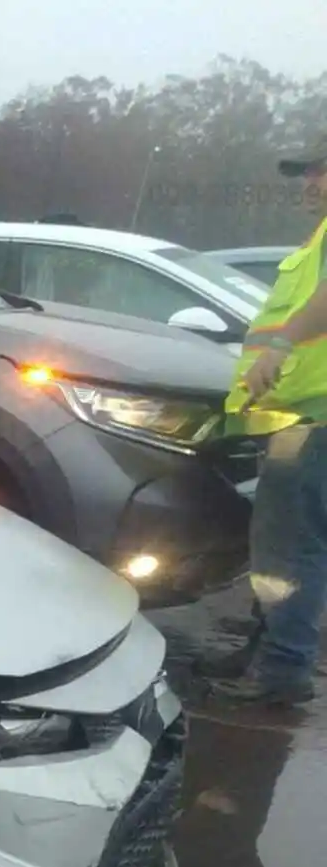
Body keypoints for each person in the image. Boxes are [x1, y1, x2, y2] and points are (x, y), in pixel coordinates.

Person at [197, 135, 327, 706]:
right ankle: (267, 650)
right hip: (299, 417)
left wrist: (281, 348)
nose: (311, 184)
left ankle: (282, 670)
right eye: (307, 174)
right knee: (284, 544)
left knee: (287, 550)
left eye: (321, 173)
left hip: (312, 419)